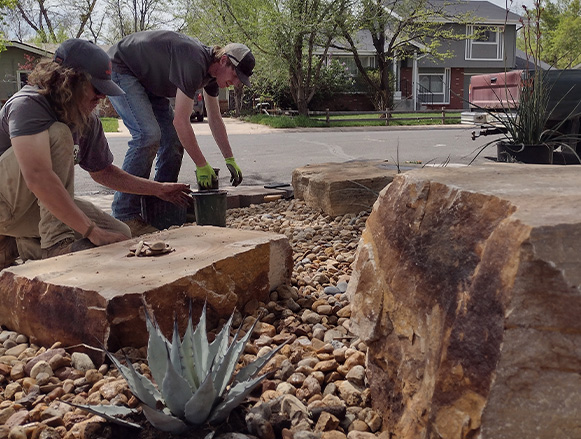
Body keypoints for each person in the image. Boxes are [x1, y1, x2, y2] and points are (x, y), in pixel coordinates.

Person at [0, 39, 191, 270]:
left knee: (119, 232)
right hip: (5, 204)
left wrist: (159, 190)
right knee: (59, 134)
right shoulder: (28, 104)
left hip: (31, 209)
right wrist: (91, 231)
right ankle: (54, 243)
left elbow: (103, 173)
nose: (102, 97)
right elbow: (38, 176)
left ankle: (21, 246)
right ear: (69, 80)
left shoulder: (85, 119)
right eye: (97, 88)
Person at [107, 30, 254, 236]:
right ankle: (125, 214)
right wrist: (202, 165)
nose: (237, 83)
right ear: (223, 61)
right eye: (236, 76)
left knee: (174, 141)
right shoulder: (194, 61)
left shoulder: (212, 76)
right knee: (148, 135)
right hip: (122, 68)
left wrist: (229, 158)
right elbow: (181, 122)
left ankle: (161, 207)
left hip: (149, 83)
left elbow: (215, 118)